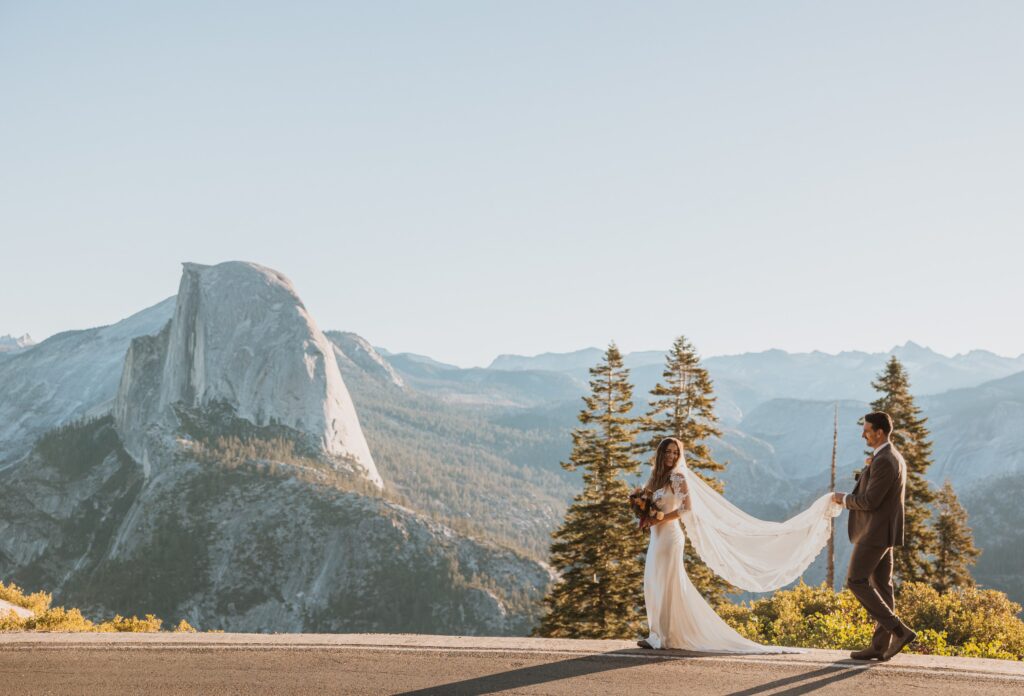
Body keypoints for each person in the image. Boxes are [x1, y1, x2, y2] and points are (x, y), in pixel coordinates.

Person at [833, 411, 917, 661]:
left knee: (856, 581)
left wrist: (843, 499)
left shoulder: (885, 460)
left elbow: (870, 500)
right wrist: (866, 472)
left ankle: (899, 631)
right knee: (882, 585)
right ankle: (880, 646)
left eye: (867, 430)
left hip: (875, 532)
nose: (863, 434)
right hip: (885, 531)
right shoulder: (889, 457)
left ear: (879, 432)